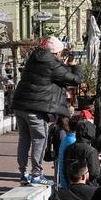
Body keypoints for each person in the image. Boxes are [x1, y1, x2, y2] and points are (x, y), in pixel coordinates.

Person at [12, 35, 81, 185]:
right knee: (40, 139)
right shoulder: (51, 63)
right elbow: (75, 79)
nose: (61, 56)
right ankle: (36, 174)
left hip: (20, 106)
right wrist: (75, 66)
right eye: (61, 53)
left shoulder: (34, 58)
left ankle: (23, 173)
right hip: (35, 109)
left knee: (24, 139)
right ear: (56, 53)